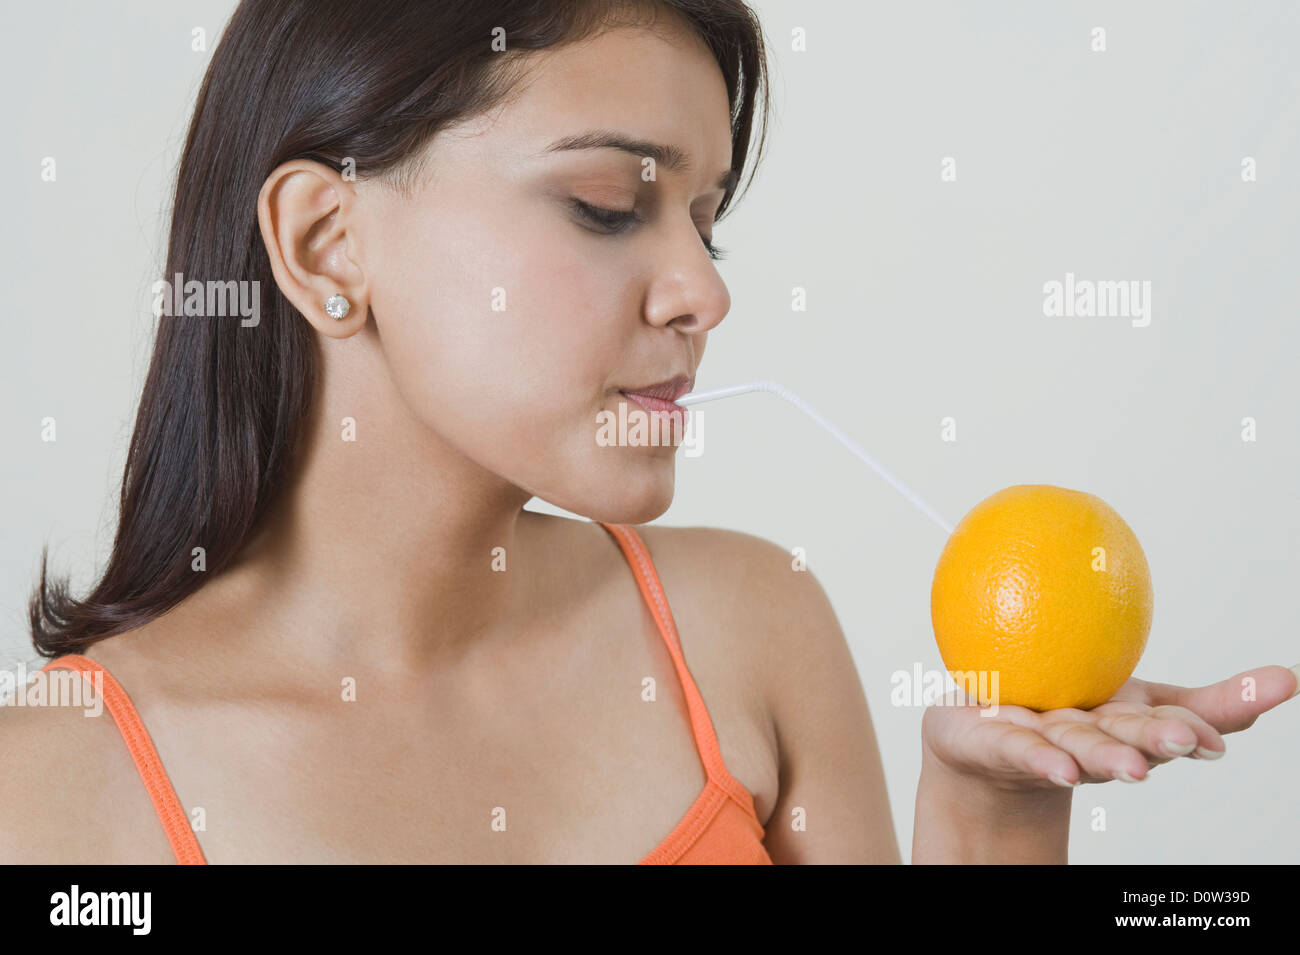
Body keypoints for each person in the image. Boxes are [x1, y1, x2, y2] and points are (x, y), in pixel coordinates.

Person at [9, 0, 1297, 864]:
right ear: (324, 243)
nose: (705, 291)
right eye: (608, 204)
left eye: (706, 217)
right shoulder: (48, 794)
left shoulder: (752, 627)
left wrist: (996, 813)